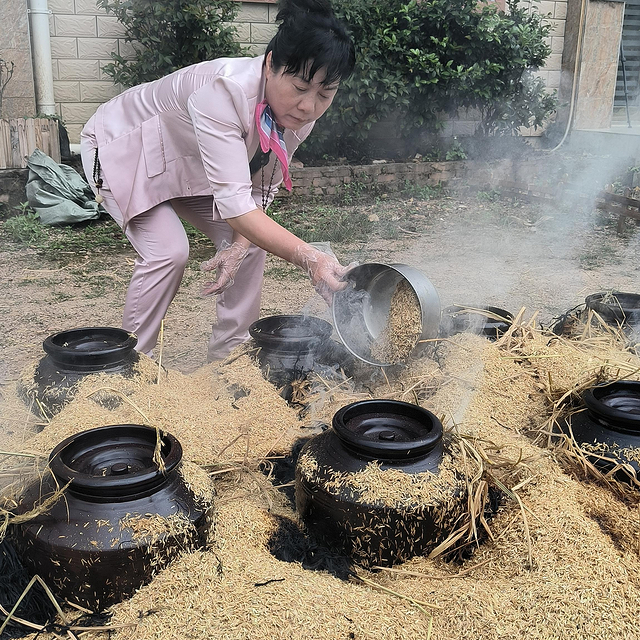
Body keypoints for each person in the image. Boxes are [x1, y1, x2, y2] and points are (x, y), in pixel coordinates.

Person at [80, 0, 355, 360]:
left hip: (187, 166)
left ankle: (229, 356)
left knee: (251, 242)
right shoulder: (225, 91)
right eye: (301, 86)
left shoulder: (298, 116)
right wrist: (311, 258)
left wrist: (239, 246)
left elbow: (257, 192)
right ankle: (130, 363)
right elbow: (239, 207)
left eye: (324, 93)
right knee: (169, 252)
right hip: (124, 148)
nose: (309, 106)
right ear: (271, 64)